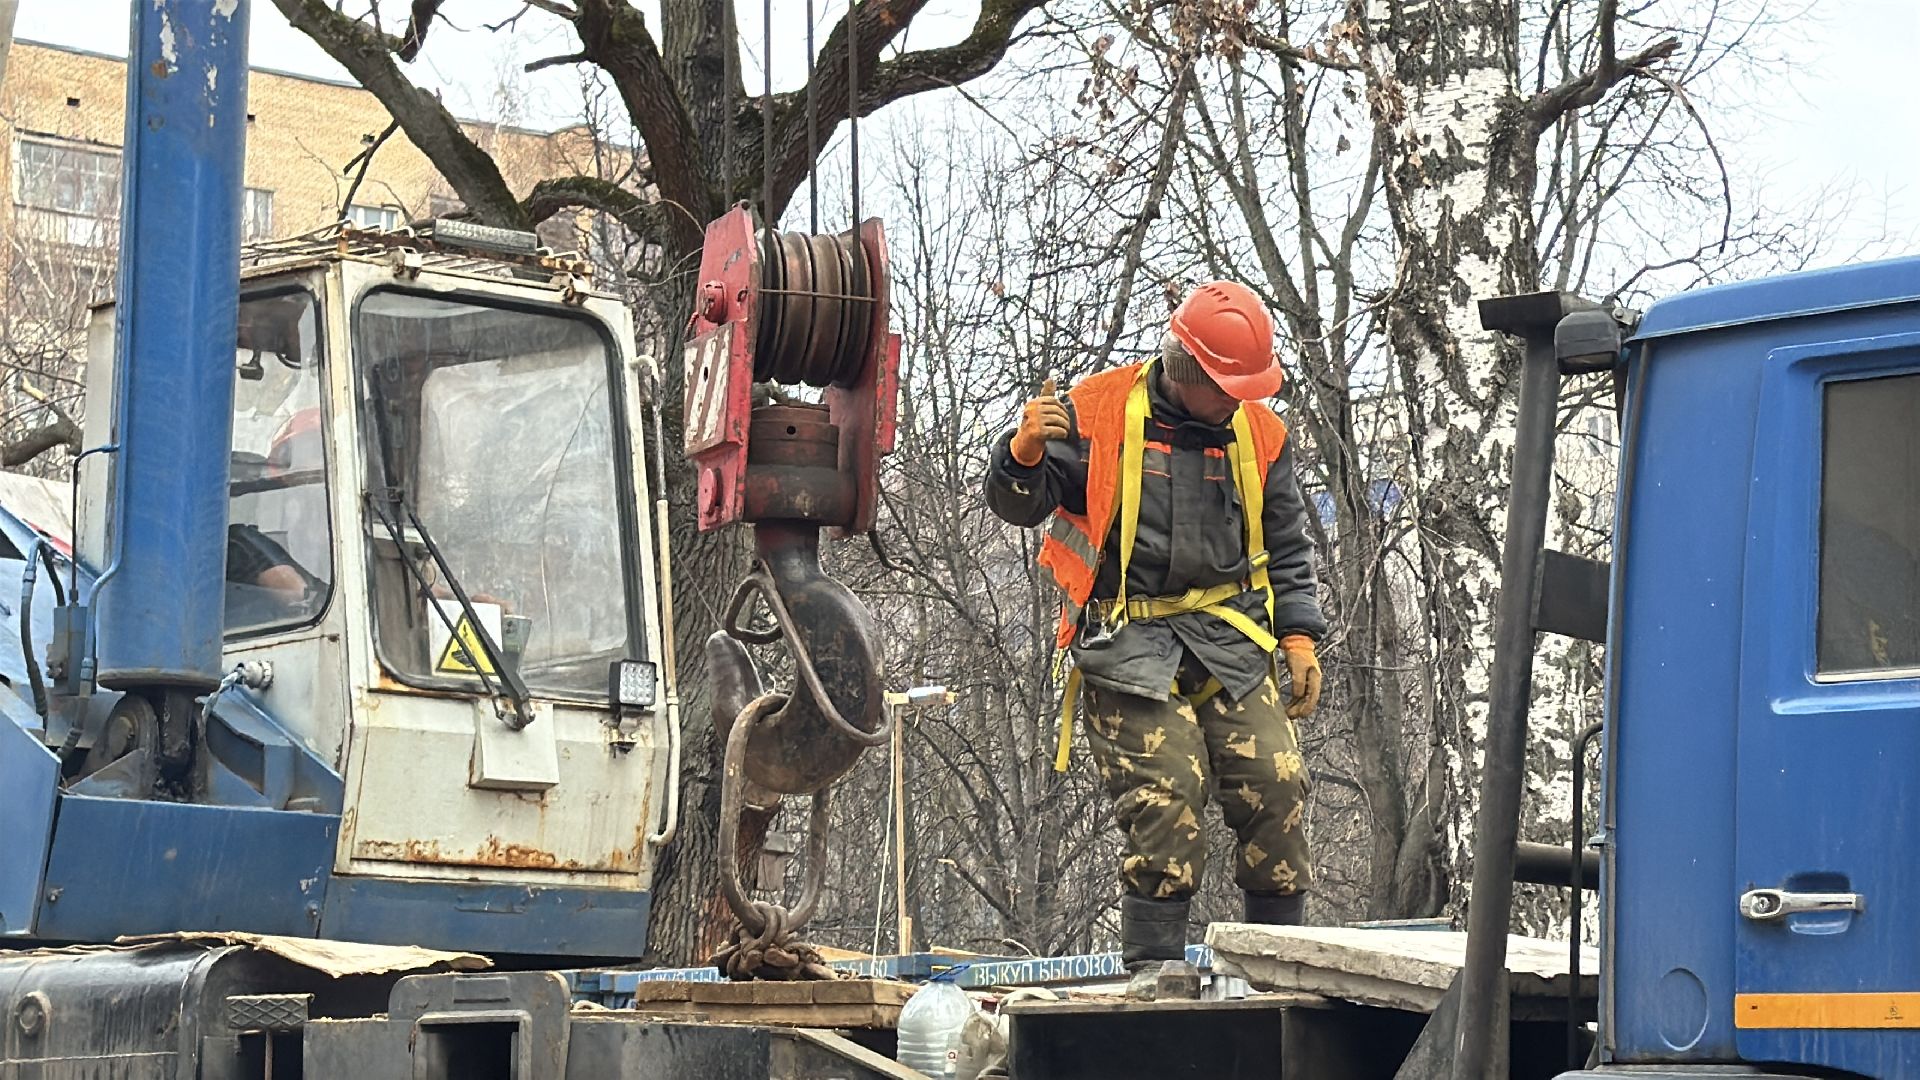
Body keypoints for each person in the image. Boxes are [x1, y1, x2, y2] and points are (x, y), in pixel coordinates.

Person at [984, 281, 1327, 997]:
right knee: (1168, 801)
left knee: (1277, 785)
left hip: (1226, 641)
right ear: (1188, 370)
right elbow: (1020, 503)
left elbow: (1289, 545)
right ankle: (1156, 977)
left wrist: (1298, 636)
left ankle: (1285, 976)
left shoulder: (1261, 435)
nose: (1240, 398)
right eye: (1229, 384)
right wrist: (1019, 454)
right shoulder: (1097, 413)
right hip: (1128, 641)